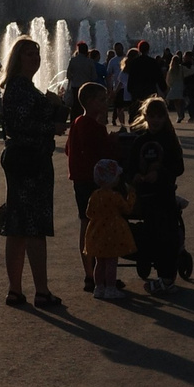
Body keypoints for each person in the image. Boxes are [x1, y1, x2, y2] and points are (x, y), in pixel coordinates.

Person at [0, 40, 66, 309]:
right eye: (29, 53)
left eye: (37, 53)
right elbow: (25, 123)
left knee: (18, 225)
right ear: (17, 58)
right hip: (30, 160)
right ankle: (41, 291)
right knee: (33, 225)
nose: (35, 57)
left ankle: (16, 290)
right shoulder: (21, 88)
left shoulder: (20, 87)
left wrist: (55, 111)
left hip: (23, 158)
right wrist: (54, 118)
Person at [125, 95, 188, 295]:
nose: (155, 120)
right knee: (150, 233)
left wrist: (159, 174)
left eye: (159, 116)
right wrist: (134, 176)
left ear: (165, 118)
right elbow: (129, 167)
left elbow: (178, 167)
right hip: (144, 196)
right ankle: (153, 265)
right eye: (151, 116)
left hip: (163, 194)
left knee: (166, 235)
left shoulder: (169, 141)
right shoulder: (140, 141)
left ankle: (166, 277)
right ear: (145, 117)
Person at [64, 83, 115, 290]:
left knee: (86, 224)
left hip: (79, 180)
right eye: (102, 100)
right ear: (91, 102)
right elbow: (100, 152)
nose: (105, 103)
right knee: (95, 226)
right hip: (92, 181)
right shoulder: (90, 125)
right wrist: (112, 138)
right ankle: (95, 274)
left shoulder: (78, 122)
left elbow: (69, 149)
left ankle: (93, 273)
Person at [82, 157, 137, 300]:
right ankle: (111, 288)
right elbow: (127, 209)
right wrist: (131, 195)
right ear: (111, 179)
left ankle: (99, 287)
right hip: (112, 233)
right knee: (111, 262)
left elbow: (88, 213)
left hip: (97, 232)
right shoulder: (115, 196)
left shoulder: (94, 195)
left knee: (99, 262)